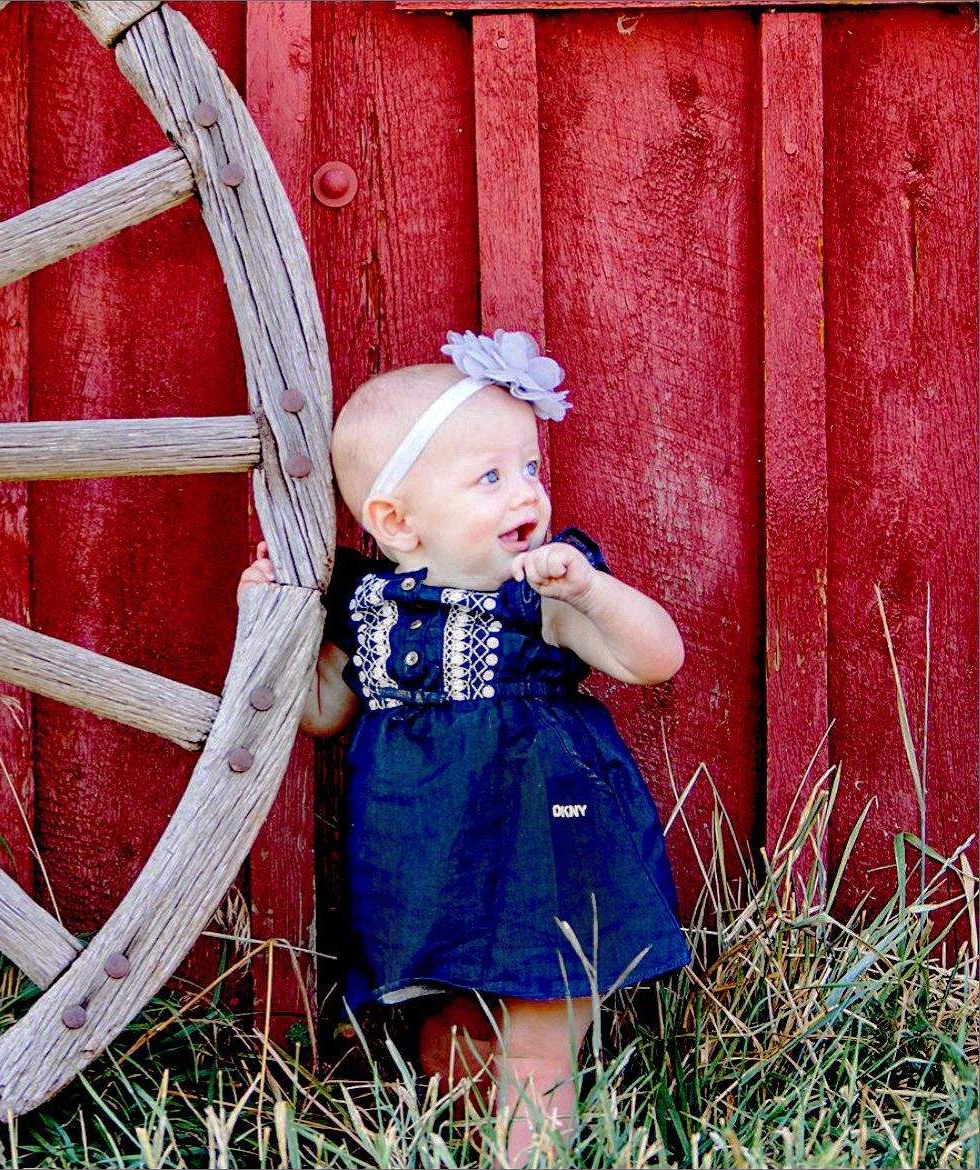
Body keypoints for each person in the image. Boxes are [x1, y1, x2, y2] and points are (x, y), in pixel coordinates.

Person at [238, 330, 692, 1166]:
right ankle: (472, 1134)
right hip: (435, 854)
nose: (526, 491)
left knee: (535, 1046)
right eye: (491, 477)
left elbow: (654, 660)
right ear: (395, 523)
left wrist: (589, 589)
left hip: (555, 838)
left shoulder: (542, 592)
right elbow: (319, 713)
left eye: (528, 469)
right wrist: (264, 619)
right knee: (453, 1037)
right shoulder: (370, 610)